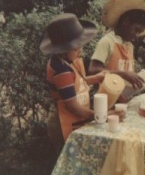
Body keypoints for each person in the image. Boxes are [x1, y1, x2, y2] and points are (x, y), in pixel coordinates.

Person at [39, 13, 125, 156]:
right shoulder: (61, 70)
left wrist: (96, 78)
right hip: (63, 123)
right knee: (69, 166)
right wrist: (103, 115)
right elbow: (73, 107)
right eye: (76, 47)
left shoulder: (66, 62)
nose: (81, 50)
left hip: (73, 118)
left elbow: (75, 85)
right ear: (63, 49)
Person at [88, 0, 145, 97]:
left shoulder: (129, 46)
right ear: (125, 22)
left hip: (123, 99)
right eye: (136, 29)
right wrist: (123, 74)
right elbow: (93, 70)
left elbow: (127, 72)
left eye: (140, 32)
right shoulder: (107, 42)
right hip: (106, 99)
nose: (136, 35)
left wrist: (141, 79)